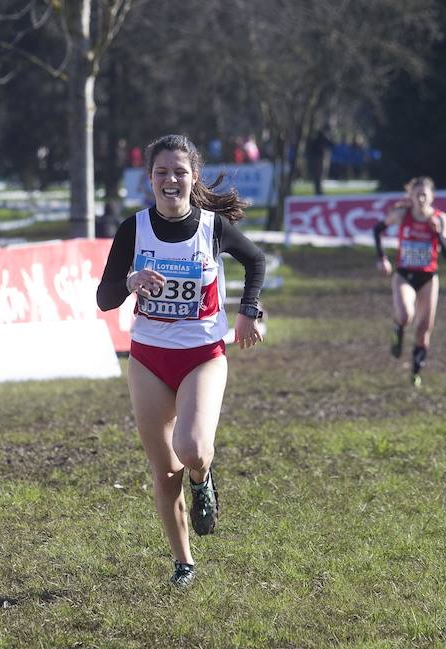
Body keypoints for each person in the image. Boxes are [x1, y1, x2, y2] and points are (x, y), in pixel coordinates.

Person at [96, 134, 266, 588]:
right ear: (149, 179)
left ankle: (204, 478)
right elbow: (104, 297)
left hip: (203, 356)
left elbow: (256, 260)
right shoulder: (134, 229)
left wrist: (250, 312)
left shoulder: (213, 227)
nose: (171, 180)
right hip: (149, 359)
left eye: (179, 172)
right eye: (161, 172)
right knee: (164, 471)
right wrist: (132, 280)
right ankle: (183, 563)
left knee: (191, 450)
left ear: (193, 177)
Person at [373, 176, 446, 386]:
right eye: (417, 194)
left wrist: (439, 235)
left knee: (424, 328)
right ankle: (397, 329)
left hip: (428, 277)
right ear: (411, 197)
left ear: (432, 197)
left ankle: (415, 374)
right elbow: (377, 229)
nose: (421, 198)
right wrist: (381, 258)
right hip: (404, 274)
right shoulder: (402, 214)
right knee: (407, 315)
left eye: (425, 194)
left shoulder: (440, 218)